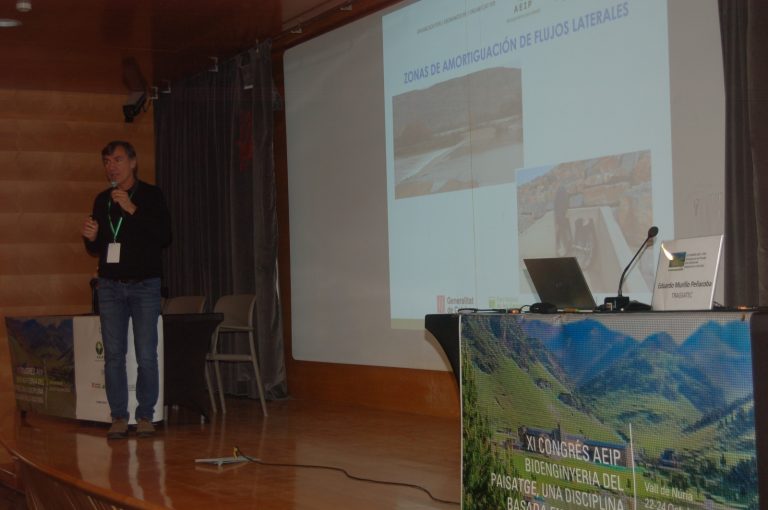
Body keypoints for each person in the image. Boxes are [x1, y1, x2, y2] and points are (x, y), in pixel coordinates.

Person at [81, 141, 171, 439]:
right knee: (114, 355)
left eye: (117, 160)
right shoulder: (102, 199)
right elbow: (100, 247)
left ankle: (145, 415)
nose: (111, 166)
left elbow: (163, 236)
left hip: (145, 285)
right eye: (107, 161)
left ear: (133, 162)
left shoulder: (151, 196)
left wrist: (132, 209)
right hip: (110, 286)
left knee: (146, 354)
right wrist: (91, 239)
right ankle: (118, 416)